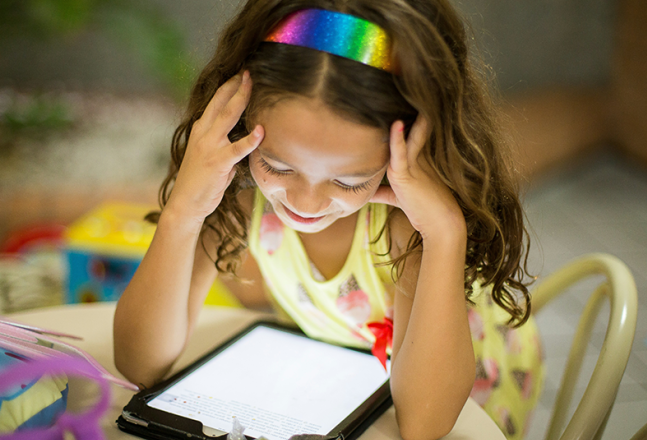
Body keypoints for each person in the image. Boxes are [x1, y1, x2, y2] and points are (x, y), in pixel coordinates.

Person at [113, 1, 544, 439]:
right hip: (345, 384)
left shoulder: (407, 232)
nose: (307, 202)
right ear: (240, 125)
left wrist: (445, 232)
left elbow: (425, 426)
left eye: (350, 181)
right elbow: (140, 364)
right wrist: (183, 212)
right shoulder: (240, 211)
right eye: (278, 167)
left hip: (470, 394)